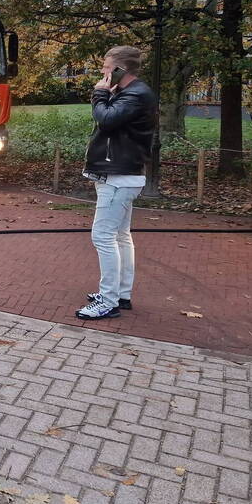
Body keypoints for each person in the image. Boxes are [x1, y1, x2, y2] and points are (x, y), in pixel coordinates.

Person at [76, 45, 157, 320]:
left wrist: (99, 94)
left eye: (107, 67)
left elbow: (106, 121)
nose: (102, 71)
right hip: (121, 173)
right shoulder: (130, 93)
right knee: (121, 235)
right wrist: (108, 95)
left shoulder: (136, 95)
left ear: (121, 69)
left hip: (119, 176)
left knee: (103, 236)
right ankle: (121, 294)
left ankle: (108, 300)